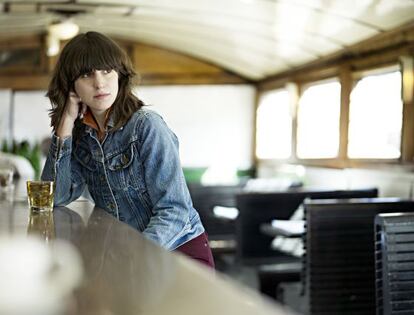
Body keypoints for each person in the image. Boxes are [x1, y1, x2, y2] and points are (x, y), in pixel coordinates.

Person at [41, 31, 214, 268]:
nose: (99, 83)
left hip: (177, 250)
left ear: (120, 75)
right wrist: (65, 123)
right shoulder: (81, 136)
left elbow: (174, 210)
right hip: (131, 256)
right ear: (72, 86)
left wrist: (133, 258)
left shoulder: (146, 126)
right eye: (86, 74)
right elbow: (55, 197)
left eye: (106, 71)